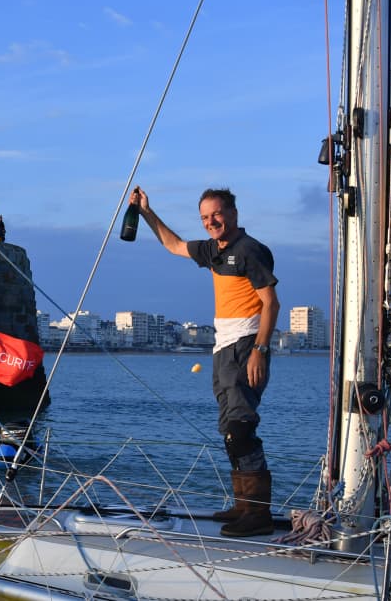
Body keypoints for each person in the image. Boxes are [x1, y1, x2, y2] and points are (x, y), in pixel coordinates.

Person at [128, 186, 279, 538]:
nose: (211, 222)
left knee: (241, 428)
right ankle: (244, 505)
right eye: (205, 218)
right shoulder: (214, 250)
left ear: (234, 213)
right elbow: (174, 245)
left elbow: (271, 303)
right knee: (230, 431)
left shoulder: (250, 251)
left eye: (217, 214)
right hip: (223, 347)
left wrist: (261, 350)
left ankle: (258, 514)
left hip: (246, 345)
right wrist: (147, 211)